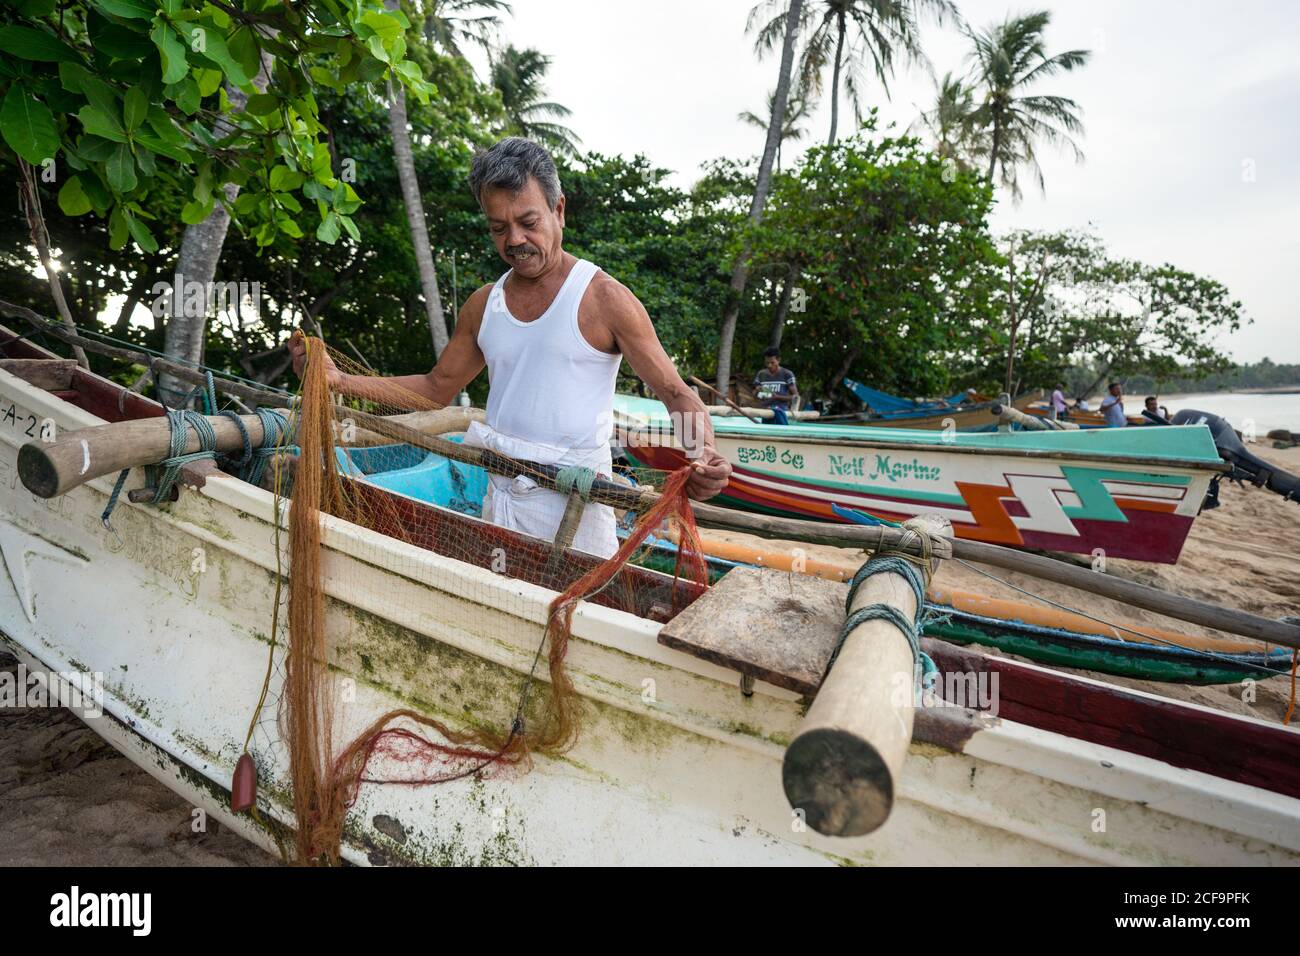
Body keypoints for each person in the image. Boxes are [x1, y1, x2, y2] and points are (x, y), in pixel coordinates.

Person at [288, 137, 731, 557]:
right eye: (499, 228)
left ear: (559, 211)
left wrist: (702, 453)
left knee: (579, 614)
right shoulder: (485, 304)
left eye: (528, 222)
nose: (515, 239)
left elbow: (673, 391)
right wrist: (339, 379)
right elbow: (436, 387)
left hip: (577, 503)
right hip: (499, 497)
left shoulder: (603, 298)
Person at [753, 348, 799, 425]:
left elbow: (795, 397)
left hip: (781, 410)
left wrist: (777, 397)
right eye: (767, 363)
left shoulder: (787, 374)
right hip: (763, 410)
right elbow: (754, 393)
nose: (769, 365)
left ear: (779, 360)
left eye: (772, 362)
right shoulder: (761, 374)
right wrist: (757, 391)